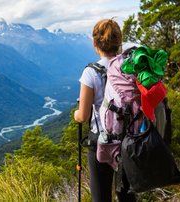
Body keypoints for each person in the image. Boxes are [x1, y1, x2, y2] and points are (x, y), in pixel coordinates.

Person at [74, 19, 136, 202]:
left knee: (100, 197)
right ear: (119, 42)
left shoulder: (90, 72)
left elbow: (83, 115)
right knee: (127, 196)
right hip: (128, 141)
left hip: (100, 142)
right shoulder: (129, 68)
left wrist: (76, 114)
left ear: (95, 43)